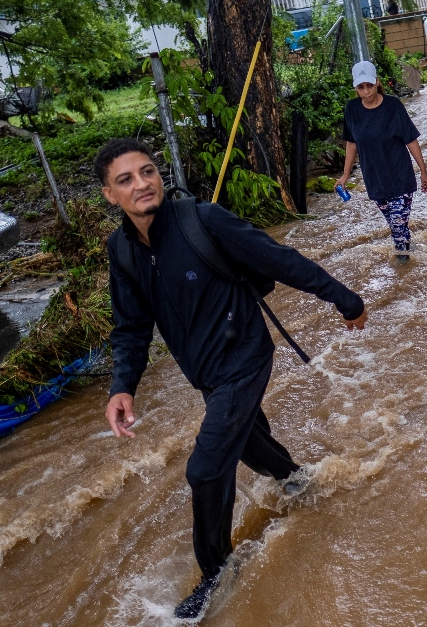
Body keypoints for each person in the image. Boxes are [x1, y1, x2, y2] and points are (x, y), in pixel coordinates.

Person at [95, 138, 369, 620]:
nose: (142, 184)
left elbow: (281, 261)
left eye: (148, 171)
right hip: (205, 372)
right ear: (109, 195)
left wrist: (345, 299)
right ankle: (297, 481)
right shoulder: (122, 250)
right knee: (243, 441)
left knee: (204, 469)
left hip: (244, 356)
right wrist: (123, 385)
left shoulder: (202, 220)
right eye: (126, 179)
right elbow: (132, 326)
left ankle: (217, 572)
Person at [337, 60, 427, 263]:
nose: (366, 92)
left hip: (400, 176)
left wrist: (423, 170)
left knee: (397, 226)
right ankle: (407, 250)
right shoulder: (352, 109)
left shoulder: (393, 106)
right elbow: (351, 144)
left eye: (369, 85)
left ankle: (403, 270)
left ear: (377, 82)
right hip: (375, 179)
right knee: (396, 226)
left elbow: (410, 140)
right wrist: (345, 175)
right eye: (361, 87)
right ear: (356, 88)